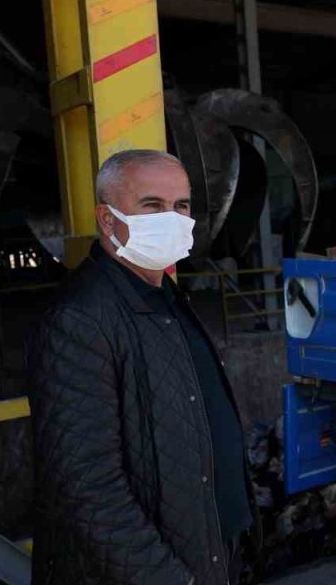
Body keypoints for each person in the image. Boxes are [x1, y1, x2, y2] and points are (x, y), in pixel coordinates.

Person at [25, 150, 255, 585]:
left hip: (206, 552)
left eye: (181, 206)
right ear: (107, 220)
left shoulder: (166, 296)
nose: (172, 218)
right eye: (152, 205)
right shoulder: (78, 319)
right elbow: (86, 487)